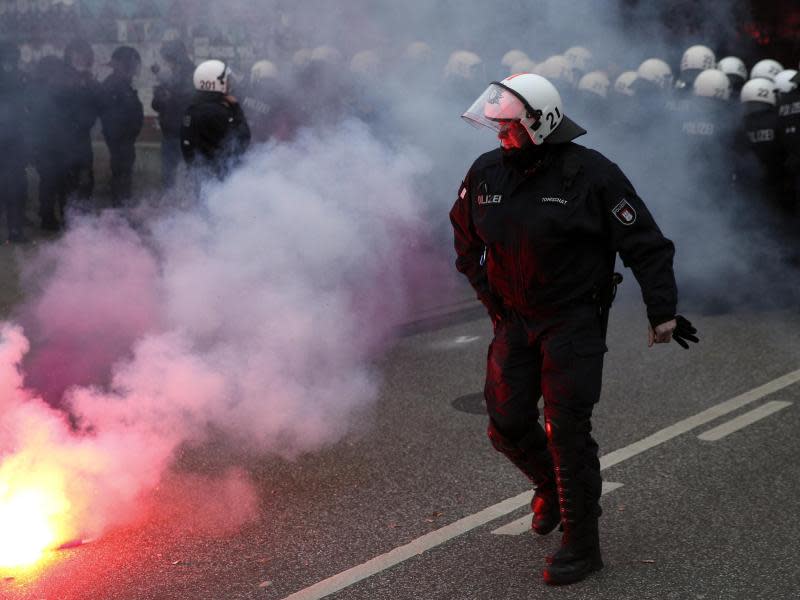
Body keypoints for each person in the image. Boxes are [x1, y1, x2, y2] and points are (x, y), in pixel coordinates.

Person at [449, 74, 698, 586]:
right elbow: (464, 241)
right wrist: (492, 303)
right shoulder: (486, 172)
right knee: (506, 421)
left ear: (542, 123)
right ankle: (550, 488)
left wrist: (662, 311)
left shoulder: (592, 175)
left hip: (573, 321)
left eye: (510, 128)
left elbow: (646, 244)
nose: (500, 137)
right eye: (496, 127)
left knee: (566, 430)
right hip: (515, 321)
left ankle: (582, 547)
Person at [180, 59, 251, 181]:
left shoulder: (192, 108)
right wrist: (236, 109)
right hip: (219, 178)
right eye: (227, 79)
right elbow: (242, 140)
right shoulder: (218, 112)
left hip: (200, 174)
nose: (230, 83)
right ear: (216, 81)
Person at [99, 46, 144, 206]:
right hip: (120, 141)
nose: (134, 69)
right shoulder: (113, 85)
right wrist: (121, 136)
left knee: (124, 177)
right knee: (121, 177)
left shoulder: (122, 84)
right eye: (132, 64)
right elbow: (110, 117)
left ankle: (122, 210)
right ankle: (120, 212)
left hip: (125, 140)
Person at [151, 40, 195, 188]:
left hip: (187, 134)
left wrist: (172, 96)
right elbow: (156, 105)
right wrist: (159, 96)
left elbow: (193, 102)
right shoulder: (170, 74)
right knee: (169, 178)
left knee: (189, 178)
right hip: (169, 134)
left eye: (169, 59)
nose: (167, 63)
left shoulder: (193, 74)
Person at [0, 42, 28, 242]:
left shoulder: (20, 78)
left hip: (15, 141)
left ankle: (16, 229)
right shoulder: (18, 79)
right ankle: (15, 230)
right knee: (14, 187)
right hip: (12, 141)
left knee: (15, 187)